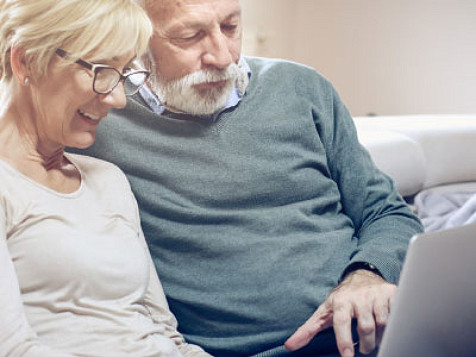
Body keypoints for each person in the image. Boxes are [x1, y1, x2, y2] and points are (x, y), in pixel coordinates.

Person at [76, 0, 424, 356]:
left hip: (374, 337)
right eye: (191, 36)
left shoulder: (303, 88)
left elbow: (388, 213)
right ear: (134, 38)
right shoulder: (98, 120)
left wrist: (369, 274)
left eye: (230, 27)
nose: (223, 56)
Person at [0, 0, 211, 356]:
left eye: (125, 72)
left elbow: (164, 332)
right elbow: (13, 349)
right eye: (101, 69)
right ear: (26, 61)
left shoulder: (108, 179)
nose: (117, 99)